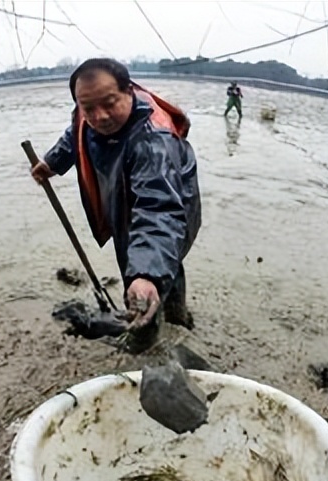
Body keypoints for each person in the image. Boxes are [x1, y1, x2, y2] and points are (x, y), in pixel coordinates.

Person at [30, 58, 201, 334]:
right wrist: (52, 163)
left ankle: (173, 320)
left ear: (128, 91)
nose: (100, 116)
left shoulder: (153, 140)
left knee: (158, 262)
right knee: (131, 252)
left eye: (110, 104)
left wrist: (146, 274)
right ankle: (148, 302)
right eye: (88, 108)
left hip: (169, 207)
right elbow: (76, 132)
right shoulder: (88, 111)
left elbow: (158, 209)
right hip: (123, 202)